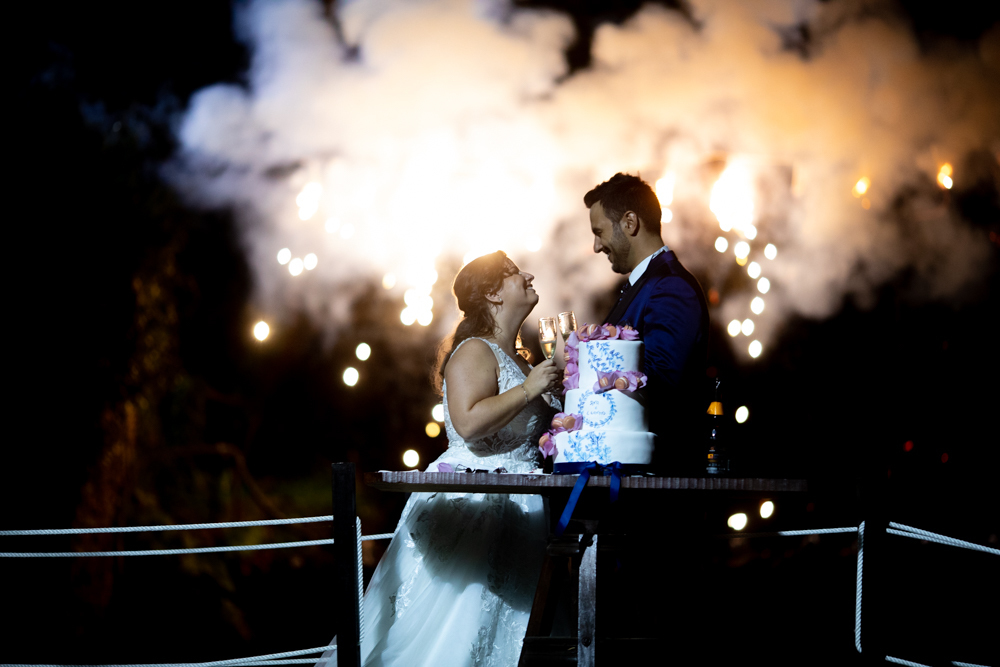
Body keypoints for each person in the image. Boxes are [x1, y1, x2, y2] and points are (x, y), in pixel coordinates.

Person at [320, 251, 562, 667]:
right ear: (492, 293)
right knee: (454, 638)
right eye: (513, 273)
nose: (529, 274)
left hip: (522, 507)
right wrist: (530, 389)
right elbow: (468, 422)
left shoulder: (524, 360)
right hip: (476, 503)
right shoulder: (473, 351)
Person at [584, 172, 709, 471]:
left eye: (599, 232)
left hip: (654, 475)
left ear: (630, 222)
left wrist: (590, 379)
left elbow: (662, 381)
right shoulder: (644, 285)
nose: (596, 247)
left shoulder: (670, 286)